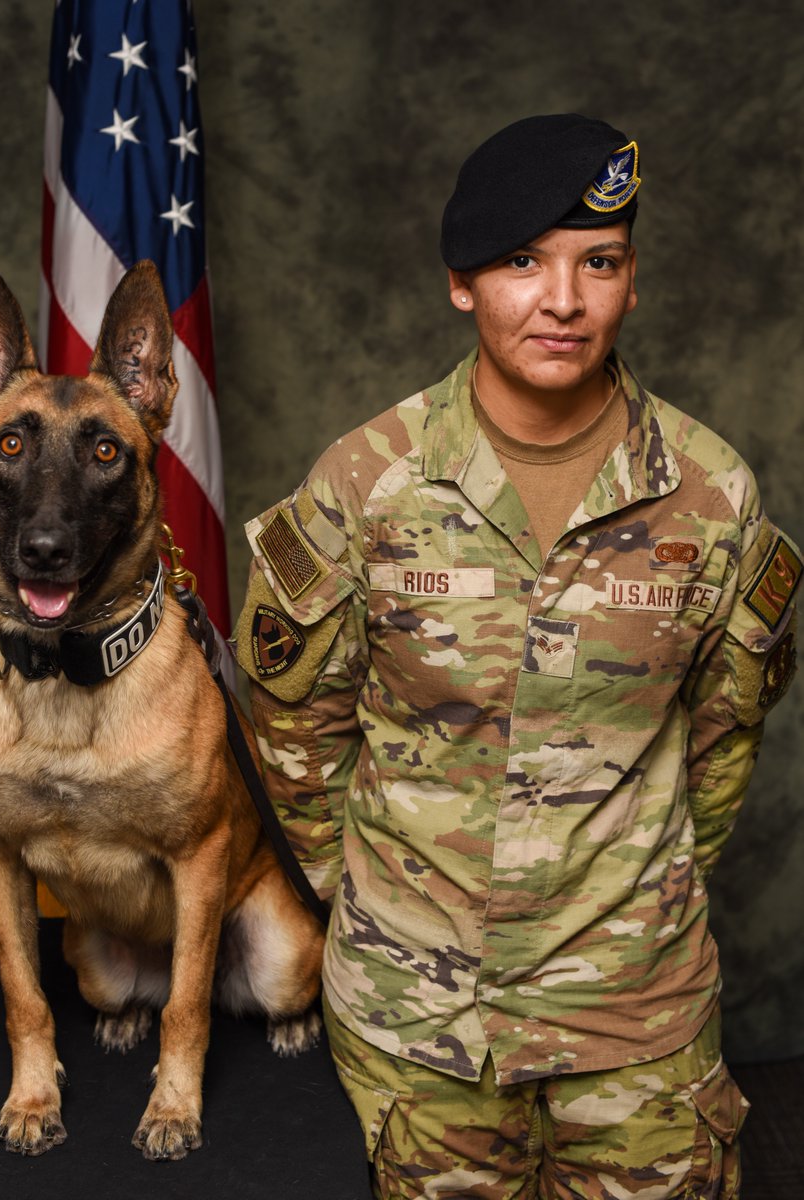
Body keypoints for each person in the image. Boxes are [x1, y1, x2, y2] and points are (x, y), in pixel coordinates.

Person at [232, 114, 800, 1199]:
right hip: (421, 1031)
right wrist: (384, 904)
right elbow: (295, 730)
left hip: (637, 1026)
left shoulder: (713, 492)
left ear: (632, 282)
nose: (563, 299)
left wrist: (631, 901)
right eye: (521, 261)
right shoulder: (366, 482)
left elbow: (725, 741)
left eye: (600, 261)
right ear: (461, 285)